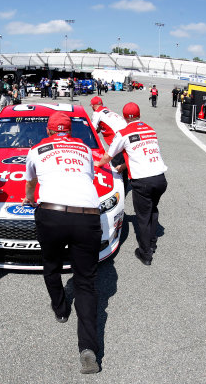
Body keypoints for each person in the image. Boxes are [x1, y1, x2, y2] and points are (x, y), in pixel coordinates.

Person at [23, 112, 102, 374]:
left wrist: (29, 198)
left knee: (51, 264)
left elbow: (31, 181)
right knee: (85, 283)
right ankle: (88, 349)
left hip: (51, 213)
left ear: (48, 130)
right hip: (86, 216)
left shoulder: (37, 149)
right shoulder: (84, 148)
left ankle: (60, 310)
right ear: (70, 131)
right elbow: (88, 178)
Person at [95, 102, 167, 266]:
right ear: (139, 114)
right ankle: (152, 242)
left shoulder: (124, 132)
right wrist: (124, 166)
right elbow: (141, 154)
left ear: (125, 117)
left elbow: (108, 156)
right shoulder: (150, 129)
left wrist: (98, 165)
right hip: (160, 179)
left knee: (142, 217)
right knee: (152, 211)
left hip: (143, 181)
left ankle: (145, 253)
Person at [89, 96, 128, 188]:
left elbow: (92, 130)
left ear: (93, 106)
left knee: (115, 166)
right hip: (127, 136)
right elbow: (102, 126)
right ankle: (124, 185)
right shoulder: (107, 110)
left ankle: (117, 188)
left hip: (118, 139)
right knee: (124, 164)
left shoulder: (96, 113)